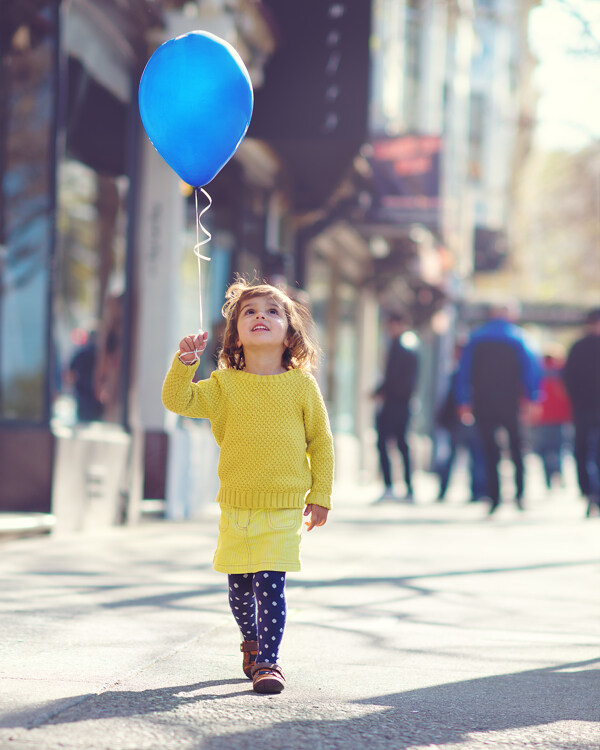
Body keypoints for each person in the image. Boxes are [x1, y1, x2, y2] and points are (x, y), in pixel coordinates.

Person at [162, 279, 334, 694]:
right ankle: (251, 643)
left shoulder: (302, 385)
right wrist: (185, 363)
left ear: (290, 333)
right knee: (239, 589)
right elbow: (177, 401)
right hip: (236, 506)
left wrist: (321, 494)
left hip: (283, 506)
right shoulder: (223, 385)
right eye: (250, 311)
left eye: (273, 311)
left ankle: (269, 663)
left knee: (269, 584)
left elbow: (321, 442)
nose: (261, 316)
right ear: (235, 333)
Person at [455, 303, 541, 514]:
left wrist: (463, 401)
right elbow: (532, 370)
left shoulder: (476, 338)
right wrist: (532, 398)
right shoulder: (519, 338)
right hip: (511, 402)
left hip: (483, 402)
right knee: (516, 448)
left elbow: (463, 371)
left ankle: (494, 497)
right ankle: (520, 495)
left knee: (490, 450)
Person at [373, 312, 419, 502]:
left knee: (387, 442)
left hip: (396, 403)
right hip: (402, 403)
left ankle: (392, 486)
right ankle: (406, 488)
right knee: (400, 445)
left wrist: (380, 391)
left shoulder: (402, 346)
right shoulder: (409, 344)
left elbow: (394, 377)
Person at [563, 307, 600, 517]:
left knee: (588, 452)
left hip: (584, 407)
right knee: (582, 451)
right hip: (583, 407)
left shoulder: (578, 346)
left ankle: (593, 494)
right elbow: (568, 378)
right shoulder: (578, 347)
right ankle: (588, 493)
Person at [435, 362, 487, 503]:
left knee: (472, 457)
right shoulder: (474, 371)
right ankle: (477, 492)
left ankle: (475, 491)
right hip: (461, 420)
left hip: (466, 420)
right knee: (472, 457)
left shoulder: (461, 372)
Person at [525, 349, 572, 491]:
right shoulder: (562, 372)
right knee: (559, 448)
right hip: (560, 417)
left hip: (541, 418)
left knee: (544, 449)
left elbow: (530, 394)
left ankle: (548, 479)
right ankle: (558, 473)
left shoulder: (536, 372)